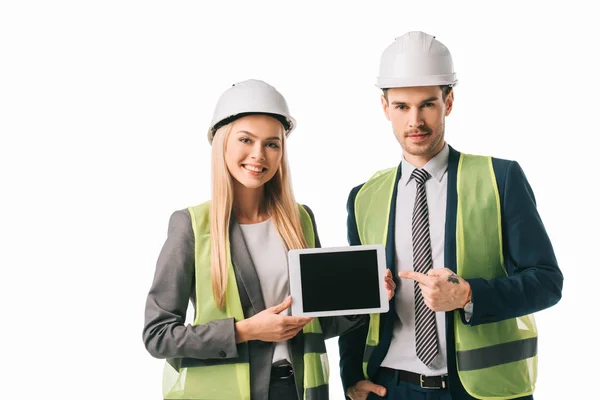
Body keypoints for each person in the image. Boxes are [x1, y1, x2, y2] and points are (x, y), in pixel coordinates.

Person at [338, 32, 563, 400]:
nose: (415, 120)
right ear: (385, 107)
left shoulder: (499, 179)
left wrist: (468, 295)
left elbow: (547, 281)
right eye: (401, 107)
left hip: (480, 390)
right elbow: (357, 303)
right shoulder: (364, 198)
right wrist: (350, 378)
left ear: (449, 101)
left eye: (427, 104)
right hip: (390, 388)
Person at [143, 79, 395, 400]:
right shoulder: (191, 225)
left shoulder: (299, 219)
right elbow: (158, 336)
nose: (258, 155)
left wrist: (366, 298)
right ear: (223, 143)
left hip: (296, 390)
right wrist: (244, 331)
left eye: (272, 144)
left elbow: (315, 324)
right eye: (246, 140)